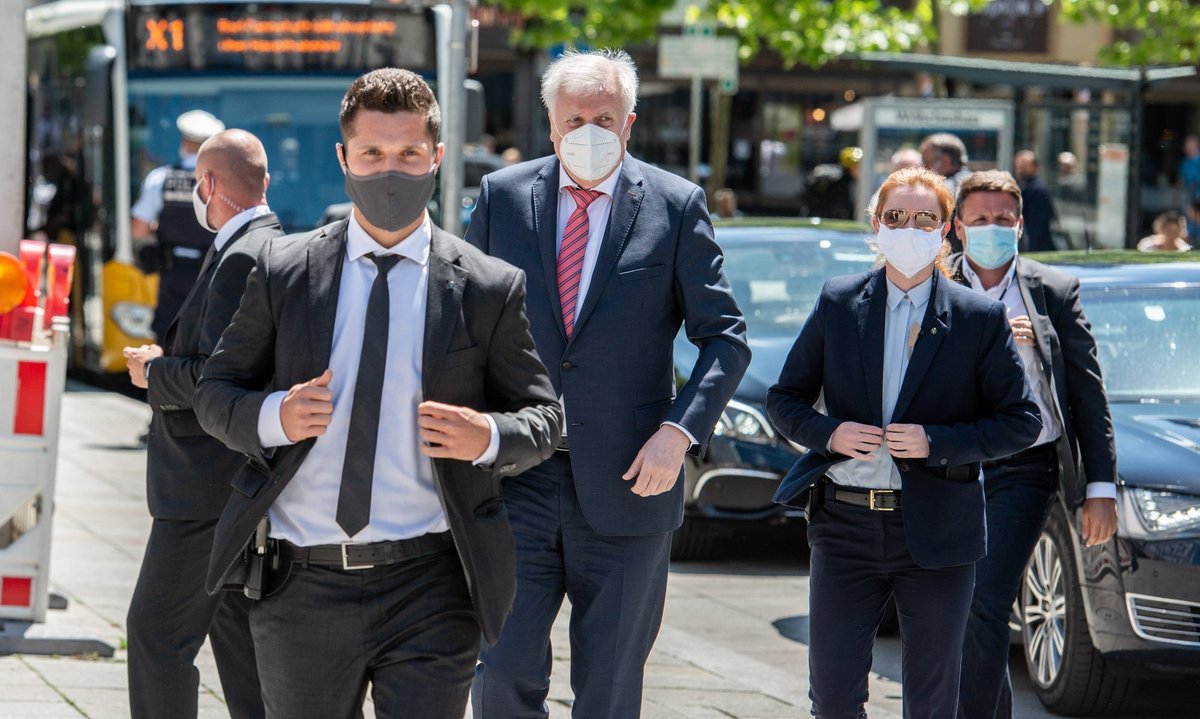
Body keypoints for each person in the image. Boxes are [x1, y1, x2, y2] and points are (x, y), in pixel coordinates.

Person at [193, 68, 562, 719]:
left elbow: (544, 417)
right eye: (372, 153)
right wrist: (277, 415)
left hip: (434, 584)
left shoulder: (486, 285)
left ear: (437, 158)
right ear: (344, 158)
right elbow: (215, 392)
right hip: (301, 584)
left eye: (409, 154)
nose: (390, 170)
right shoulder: (284, 270)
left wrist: (490, 437)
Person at [465, 49, 750, 717]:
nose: (587, 129)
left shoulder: (676, 206)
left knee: (611, 688)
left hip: (631, 482)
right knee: (500, 674)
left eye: (603, 116)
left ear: (628, 122)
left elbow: (724, 337)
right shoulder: (503, 198)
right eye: (573, 118)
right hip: (517, 479)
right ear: (549, 122)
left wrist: (678, 434)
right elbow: (463, 324)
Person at [766, 166, 1042, 719]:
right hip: (844, 527)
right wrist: (830, 433)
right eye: (896, 217)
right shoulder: (840, 302)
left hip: (939, 532)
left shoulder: (977, 316)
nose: (908, 228)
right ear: (876, 224)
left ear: (944, 231)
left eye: (924, 218)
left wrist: (935, 442)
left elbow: (1022, 420)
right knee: (835, 699)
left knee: (932, 702)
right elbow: (785, 399)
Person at [121, 129, 283, 719]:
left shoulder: (243, 254)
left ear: (208, 184)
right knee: (238, 643)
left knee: (156, 635)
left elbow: (221, 376)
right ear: (265, 181)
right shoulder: (268, 241)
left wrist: (154, 371)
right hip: (232, 483)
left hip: (205, 487)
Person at [948, 170, 1119, 719]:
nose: (992, 229)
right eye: (979, 220)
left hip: (1023, 468)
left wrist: (1101, 488)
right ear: (956, 227)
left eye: (1003, 220)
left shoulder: (1052, 291)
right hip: (946, 466)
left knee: (984, 600)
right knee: (955, 609)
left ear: (1020, 225)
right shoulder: (931, 285)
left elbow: (1089, 395)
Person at [131, 109, 226, 340]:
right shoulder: (223, 181)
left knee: (168, 339)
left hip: (172, 272)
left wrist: (160, 228)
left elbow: (138, 229)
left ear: (184, 142)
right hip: (212, 271)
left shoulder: (161, 178)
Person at [920, 133, 972, 252]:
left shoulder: (940, 188)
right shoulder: (978, 185)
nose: (921, 168)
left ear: (945, 161)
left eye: (925, 161)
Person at [1013, 150, 1057, 252]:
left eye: (1024, 165)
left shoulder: (1037, 190)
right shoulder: (1021, 186)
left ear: (1035, 167)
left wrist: (1031, 247)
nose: (1020, 169)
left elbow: (1037, 224)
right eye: (1018, 165)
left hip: (1037, 245)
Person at [1178, 134, 1200, 239]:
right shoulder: (1185, 163)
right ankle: (1191, 241)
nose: (1188, 148)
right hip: (1189, 194)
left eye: (1191, 145)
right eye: (1187, 145)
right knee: (1189, 218)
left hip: (1197, 193)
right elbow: (1181, 179)